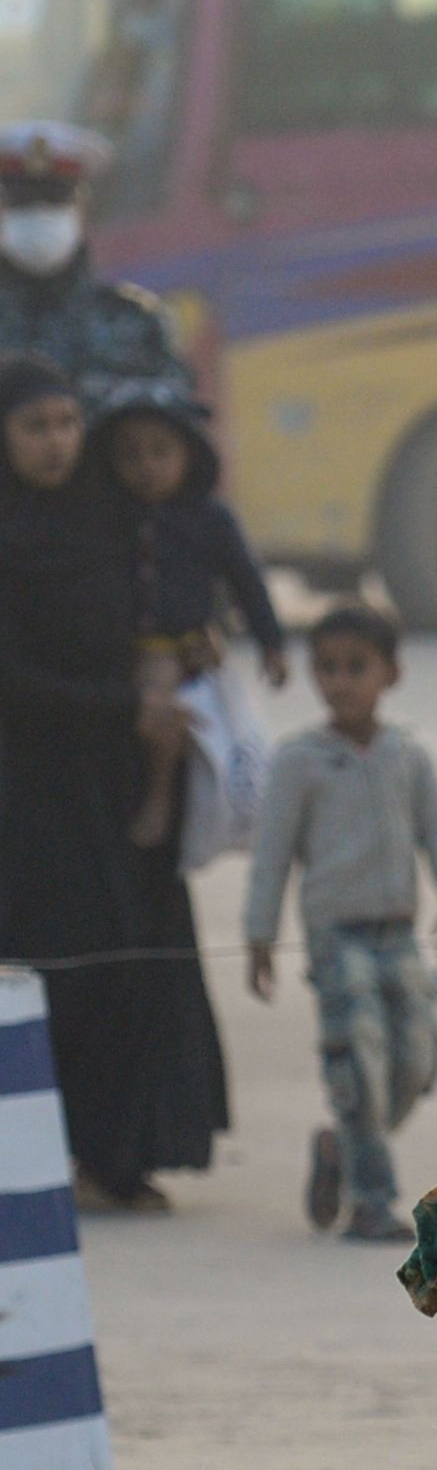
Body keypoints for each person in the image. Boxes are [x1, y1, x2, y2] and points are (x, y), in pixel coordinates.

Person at [0, 352, 226, 1211]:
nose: (57, 444)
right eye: (34, 428)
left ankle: (126, 1156)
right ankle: (63, 1157)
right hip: (42, 790)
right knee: (67, 966)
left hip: (134, 777)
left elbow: (166, 593)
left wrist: (188, 642)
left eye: (66, 424)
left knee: (143, 963)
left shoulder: (113, 518)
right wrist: (114, 705)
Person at [241, 607, 437, 1242]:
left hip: (398, 934)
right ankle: (370, 1200)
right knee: (359, 1063)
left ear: (391, 674)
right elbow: (272, 855)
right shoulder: (299, 761)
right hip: (336, 937)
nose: (340, 682)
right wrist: (258, 935)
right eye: (326, 669)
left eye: (355, 668)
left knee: (419, 1060)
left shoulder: (408, 754)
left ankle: (342, 1148)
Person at [91, 380, 286, 854]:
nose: (146, 467)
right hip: (118, 651)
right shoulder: (108, 515)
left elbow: (246, 581)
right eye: (131, 455)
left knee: (160, 695)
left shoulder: (209, 519)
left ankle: (158, 800)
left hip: (176, 649)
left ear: (190, 455)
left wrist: (271, 643)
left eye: (161, 452)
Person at [0, 123, 184, 393]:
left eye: (55, 198)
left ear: (82, 208)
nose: (40, 212)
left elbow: (170, 421)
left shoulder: (136, 323)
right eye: (22, 200)